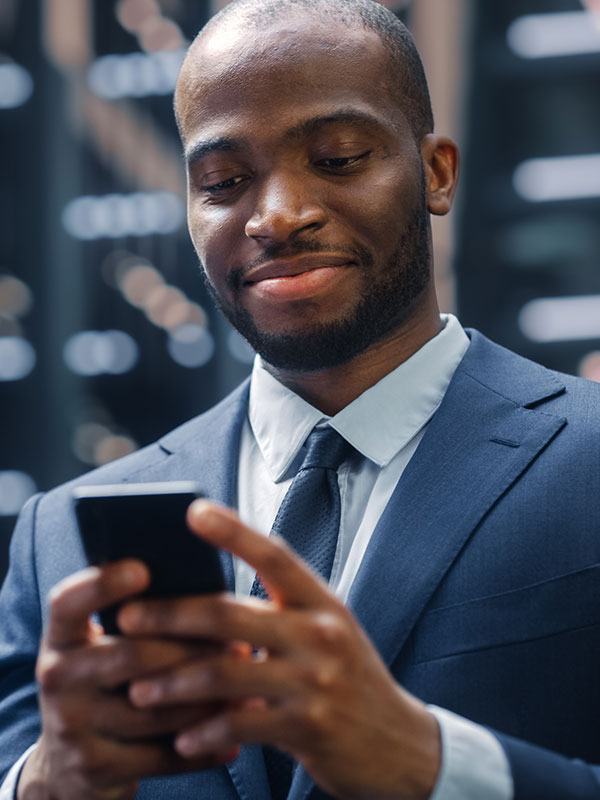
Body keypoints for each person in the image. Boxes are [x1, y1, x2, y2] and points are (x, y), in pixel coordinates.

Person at [1, 0, 600, 798]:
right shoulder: (62, 538)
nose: (277, 217)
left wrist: (433, 765)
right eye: (223, 181)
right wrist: (45, 784)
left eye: (340, 158)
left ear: (436, 172)